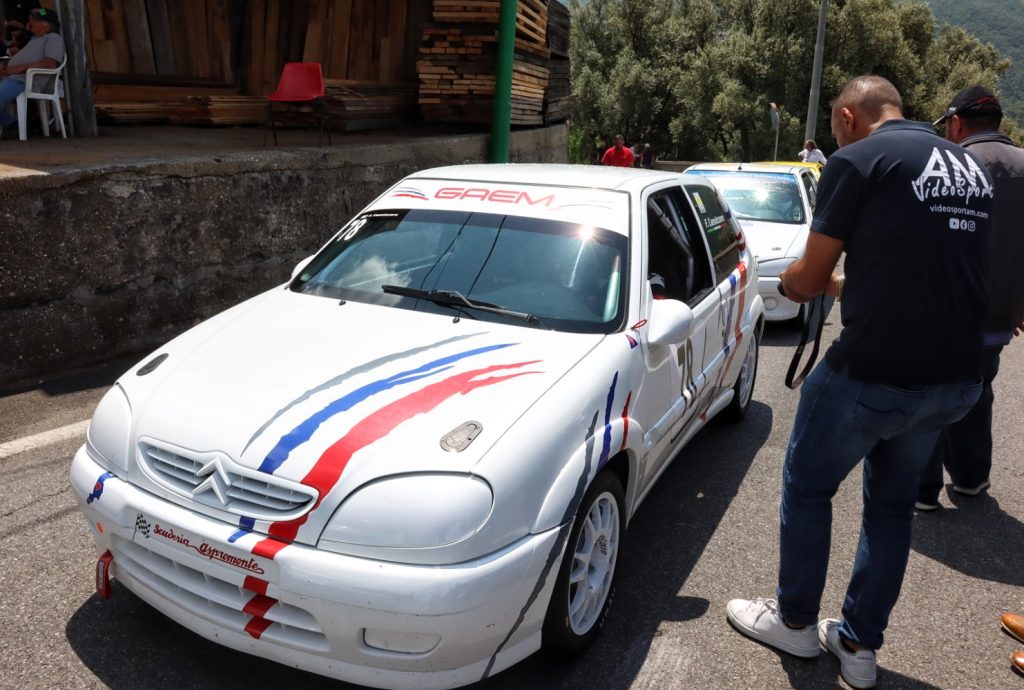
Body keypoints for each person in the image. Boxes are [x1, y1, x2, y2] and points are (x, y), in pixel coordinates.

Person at [725, 75, 992, 690]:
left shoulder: (856, 160)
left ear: (847, 116)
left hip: (873, 371)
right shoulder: (965, 167)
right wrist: (852, 284)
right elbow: (926, 265)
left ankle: (794, 620)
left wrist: (794, 284)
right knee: (892, 508)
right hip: (952, 377)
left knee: (808, 487)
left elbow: (810, 276)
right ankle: (857, 644)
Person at [916, 86, 1024, 510]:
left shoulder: (950, 165)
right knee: (977, 392)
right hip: (999, 319)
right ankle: (971, 479)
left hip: (944, 315)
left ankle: (922, 490)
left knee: (927, 400)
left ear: (956, 123)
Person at [0, 6, 61, 134]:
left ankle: (11, 124)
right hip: (13, 77)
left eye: (34, 20)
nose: (30, 23)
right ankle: (11, 124)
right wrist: (8, 65)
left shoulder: (53, 38)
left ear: (46, 25)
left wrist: (20, 68)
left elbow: (50, 63)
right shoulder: (33, 39)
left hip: (25, 79)